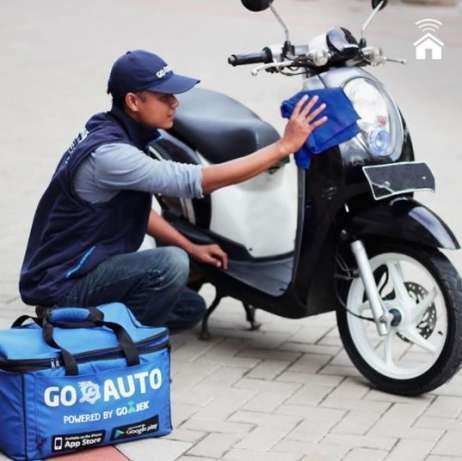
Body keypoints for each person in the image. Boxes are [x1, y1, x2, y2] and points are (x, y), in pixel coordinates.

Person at [19, 50, 327, 331]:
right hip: (63, 285)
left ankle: (95, 322)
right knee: (170, 264)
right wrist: (283, 147)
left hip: (81, 271)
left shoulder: (116, 131)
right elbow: (197, 181)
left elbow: (135, 213)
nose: (175, 103)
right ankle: (109, 340)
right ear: (133, 102)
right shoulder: (111, 155)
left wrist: (192, 247)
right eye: (164, 97)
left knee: (187, 308)